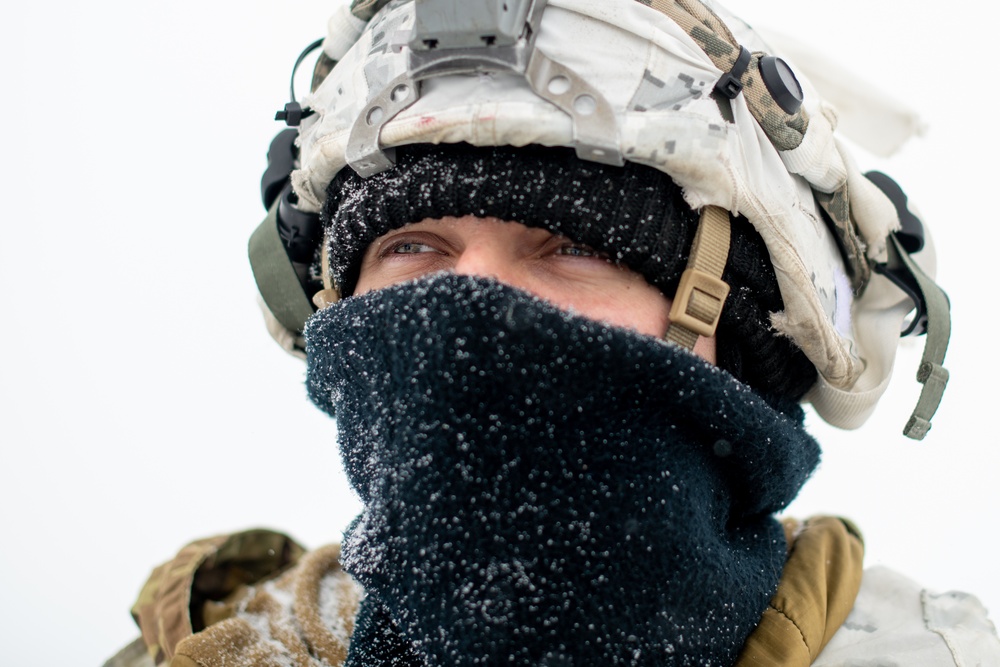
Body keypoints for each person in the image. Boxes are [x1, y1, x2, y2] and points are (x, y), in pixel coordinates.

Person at [105, 0, 1000, 665]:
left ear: (726, 329)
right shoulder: (197, 642)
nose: (470, 301)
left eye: (572, 245)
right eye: (413, 246)